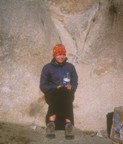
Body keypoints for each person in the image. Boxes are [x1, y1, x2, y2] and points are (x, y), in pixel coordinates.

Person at [40, 44, 78, 139]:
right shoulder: (47, 68)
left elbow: (75, 81)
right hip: (52, 94)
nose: (61, 57)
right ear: (54, 55)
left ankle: (57, 124)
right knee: (59, 92)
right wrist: (55, 87)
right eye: (58, 54)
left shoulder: (70, 67)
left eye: (63, 54)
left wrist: (71, 87)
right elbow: (43, 85)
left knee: (64, 92)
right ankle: (66, 124)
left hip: (67, 93)